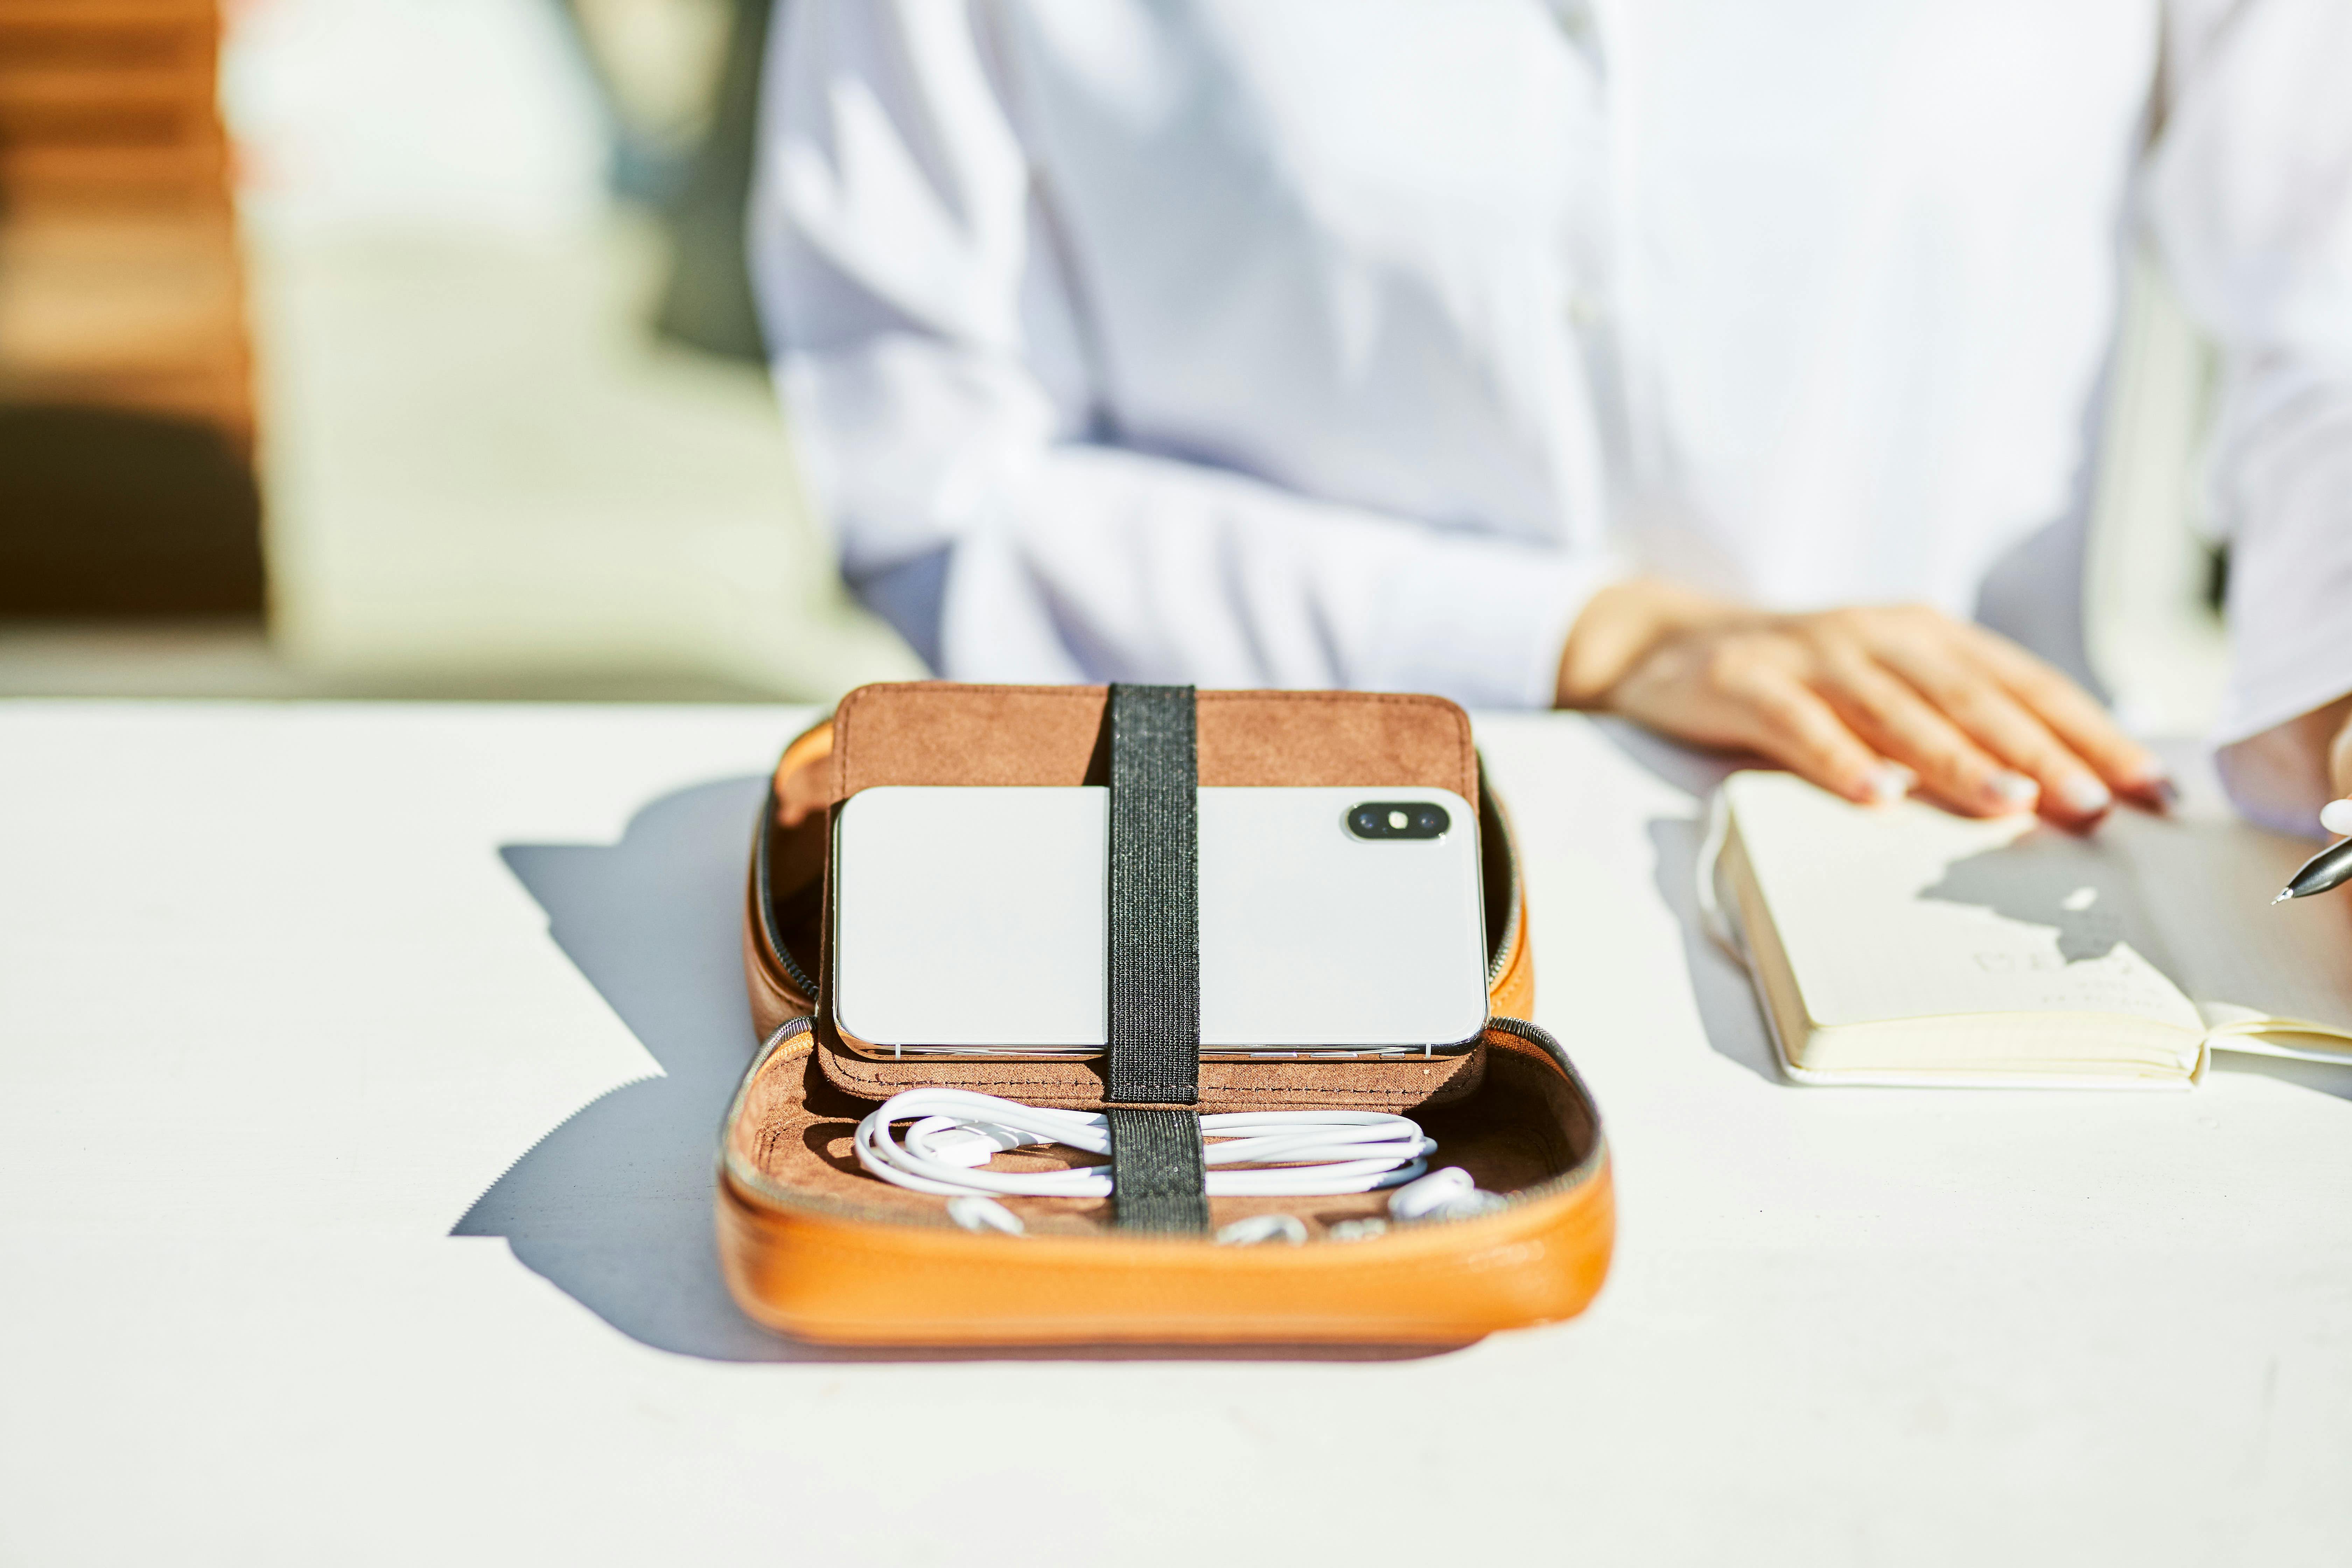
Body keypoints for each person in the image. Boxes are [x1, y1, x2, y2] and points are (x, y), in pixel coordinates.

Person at [749, 2, 2352, 834]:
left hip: (1959, 887)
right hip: (1267, 918)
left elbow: (2328, 302)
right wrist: (1585, 636)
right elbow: (932, 474)